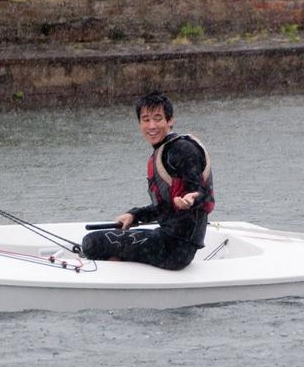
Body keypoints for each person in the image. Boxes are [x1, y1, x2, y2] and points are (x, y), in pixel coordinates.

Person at [81, 91, 214, 270]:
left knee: (92, 242)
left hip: (176, 250)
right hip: (166, 239)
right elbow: (164, 207)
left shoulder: (182, 150)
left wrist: (191, 199)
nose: (152, 126)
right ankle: (120, 270)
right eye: (145, 120)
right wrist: (135, 215)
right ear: (139, 123)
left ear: (170, 120)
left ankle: (115, 277)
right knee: (110, 237)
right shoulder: (164, 151)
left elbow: (203, 194)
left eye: (158, 119)